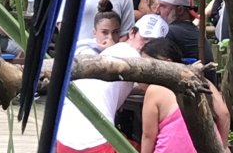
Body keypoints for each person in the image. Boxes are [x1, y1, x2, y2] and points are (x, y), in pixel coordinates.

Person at [55, 14, 170, 153]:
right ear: (132, 33)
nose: (147, 46)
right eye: (145, 38)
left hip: (65, 136)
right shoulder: (132, 56)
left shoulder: (113, 51)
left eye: (154, 42)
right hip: (94, 140)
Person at [140, 37, 230, 153]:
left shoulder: (155, 90)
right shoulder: (203, 81)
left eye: (147, 65)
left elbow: (148, 136)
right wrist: (220, 148)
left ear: (166, 62)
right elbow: (224, 114)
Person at [156, 0, 213, 64]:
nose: (157, 11)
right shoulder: (193, 31)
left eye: (163, 6)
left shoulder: (171, 31)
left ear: (180, 10)